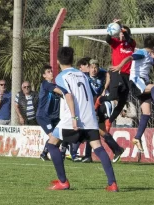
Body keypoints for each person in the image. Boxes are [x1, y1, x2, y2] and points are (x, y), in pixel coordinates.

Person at [47, 47, 118, 192]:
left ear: (58, 60)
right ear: (73, 60)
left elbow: (68, 96)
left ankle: (63, 182)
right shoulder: (82, 75)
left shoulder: (61, 77)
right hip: (90, 116)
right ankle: (112, 183)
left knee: (51, 145)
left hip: (73, 118)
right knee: (98, 147)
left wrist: (73, 117)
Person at [112, 35, 154, 162]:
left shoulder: (150, 55)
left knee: (147, 113)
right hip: (136, 82)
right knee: (153, 87)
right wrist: (120, 66)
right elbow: (130, 57)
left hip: (142, 82)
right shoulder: (141, 52)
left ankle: (137, 137)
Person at [94, 19, 136, 132]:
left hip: (127, 76)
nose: (122, 34)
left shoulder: (132, 44)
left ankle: (110, 120)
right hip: (116, 73)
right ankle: (100, 99)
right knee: (112, 96)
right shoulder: (116, 43)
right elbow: (108, 39)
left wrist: (121, 26)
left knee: (122, 101)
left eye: (123, 32)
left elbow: (128, 38)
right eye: (120, 32)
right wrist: (111, 28)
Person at [81, 59, 124, 163]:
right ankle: (88, 155)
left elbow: (110, 72)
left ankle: (117, 149)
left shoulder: (102, 74)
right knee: (93, 129)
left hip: (99, 106)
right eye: (92, 67)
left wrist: (106, 86)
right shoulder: (84, 76)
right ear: (88, 68)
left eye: (96, 67)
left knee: (95, 129)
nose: (94, 70)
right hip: (90, 106)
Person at [36, 65, 62, 161]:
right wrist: (67, 93)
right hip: (43, 116)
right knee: (53, 136)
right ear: (44, 75)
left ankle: (44, 154)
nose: (51, 73)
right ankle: (50, 155)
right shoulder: (45, 84)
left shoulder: (54, 86)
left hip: (53, 117)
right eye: (48, 72)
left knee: (58, 136)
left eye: (51, 71)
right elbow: (60, 92)